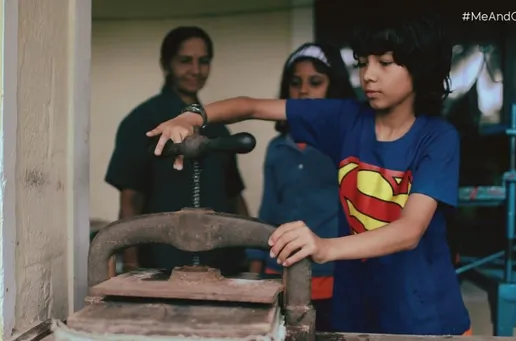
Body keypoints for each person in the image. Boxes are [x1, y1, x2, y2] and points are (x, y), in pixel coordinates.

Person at [146, 11, 472, 336]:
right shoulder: (346, 118)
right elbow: (252, 106)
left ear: (420, 67)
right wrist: (191, 117)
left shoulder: (438, 137)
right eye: (362, 62)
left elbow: (409, 231)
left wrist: (325, 247)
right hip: (355, 310)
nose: (368, 75)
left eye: (384, 63)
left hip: (425, 315)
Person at [105, 26, 249, 276]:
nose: (195, 70)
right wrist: (131, 266)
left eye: (203, 62)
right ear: (166, 64)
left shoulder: (218, 128)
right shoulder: (142, 121)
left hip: (222, 263)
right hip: (161, 262)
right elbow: (130, 200)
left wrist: (249, 254)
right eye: (185, 61)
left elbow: (235, 196)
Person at [246, 42, 357, 332]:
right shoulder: (276, 148)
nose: (304, 91)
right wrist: (255, 272)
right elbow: (268, 209)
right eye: (295, 83)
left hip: (333, 275)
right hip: (280, 273)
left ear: (334, 89)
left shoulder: (346, 145)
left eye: (315, 82)